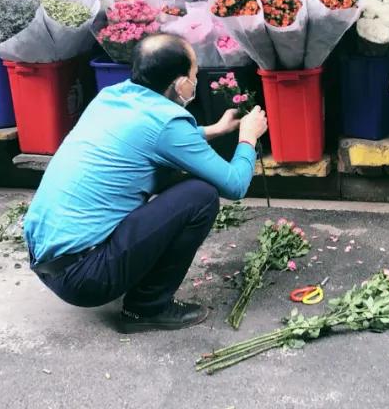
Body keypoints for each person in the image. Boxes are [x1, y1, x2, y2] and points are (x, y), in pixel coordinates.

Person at [23, 34, 267, 333]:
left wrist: (213, 130)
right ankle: (146, 308)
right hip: (85, 279)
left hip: (48, 262)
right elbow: (235, 185)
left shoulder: (111, 97)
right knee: (200, 195)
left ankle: (128, 277)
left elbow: (152, 137)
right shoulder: (168, 122)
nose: (195, 79)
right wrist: (248, 138)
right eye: (194, 74)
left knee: (171, 176)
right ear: (180, 85)